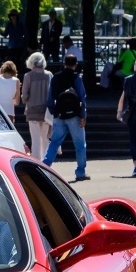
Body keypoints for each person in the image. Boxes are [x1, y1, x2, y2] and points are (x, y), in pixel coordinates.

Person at [44, 54, 89, 182]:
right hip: (74, 115)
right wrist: (83, 116)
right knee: (80, 145)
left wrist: (54, 111)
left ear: (64, 63)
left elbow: (49, 98)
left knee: (54, 143)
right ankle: (80, 173)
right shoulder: (77, 78)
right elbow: (82, 98)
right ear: (75, 64)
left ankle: (45, 167)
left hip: (59, 115)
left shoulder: (56, 77)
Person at [21, 52, 52, 160]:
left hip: (32, 111)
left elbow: (25, 95)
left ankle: (37, 161)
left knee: (35, 140)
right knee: (45, 138)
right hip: (46, 112)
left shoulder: (28, 76)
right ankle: (46, 162)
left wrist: (24, 99)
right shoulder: (49, 75)